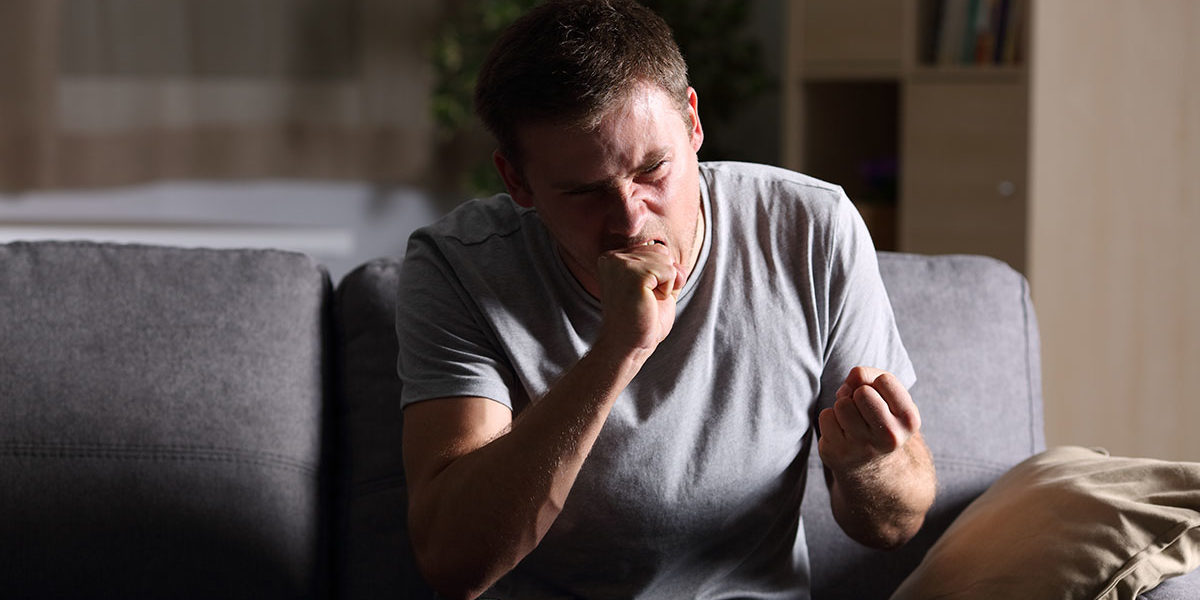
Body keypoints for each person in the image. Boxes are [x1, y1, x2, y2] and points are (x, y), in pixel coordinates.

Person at [396, 1, 936, 598]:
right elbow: (452, 564)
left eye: (653, 170)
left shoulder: (811, 228)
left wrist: (869, 465)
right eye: (584, 192)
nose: (629, 221)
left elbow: (895, 525)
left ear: (694, 123)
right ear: (516, 180)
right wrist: (617, 352)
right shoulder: (459, 266)